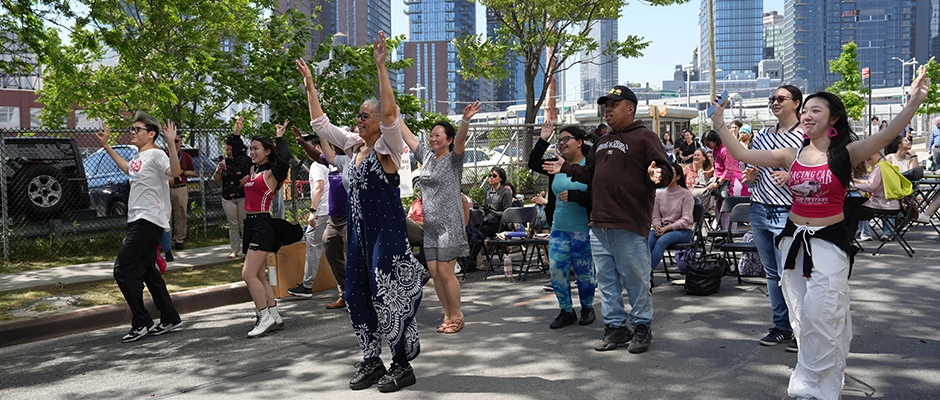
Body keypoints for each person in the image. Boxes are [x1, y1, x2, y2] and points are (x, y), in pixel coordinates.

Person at [707, 66, 929, 400]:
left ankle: (818, 385)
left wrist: (912, 103)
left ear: (833, 120)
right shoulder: (790, 154)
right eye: (806, 110)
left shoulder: (846, 154)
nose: (808, 116)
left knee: (822, 313)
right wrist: (719, 122)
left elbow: (885, 137)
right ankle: (811, 379)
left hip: (830, 243)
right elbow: (740, 153)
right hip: (793, 240)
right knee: (800, 315)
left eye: (816, 110)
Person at [298, 30, 426, 393]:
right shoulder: (353, 148)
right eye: (357, 117)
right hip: (359, 234)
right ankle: (372, 360)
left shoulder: (389, 146)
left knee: (389, 294)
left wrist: (382, 68)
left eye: (364, 116)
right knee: (356, 292)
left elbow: (389, 114)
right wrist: (310, 85)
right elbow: (320, 125)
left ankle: (402, 364)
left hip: (386, 234)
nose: (359, 121)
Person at [543, 85, 673, 354]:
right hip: (599, 223)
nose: (609, 109)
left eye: (614, 104)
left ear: (630, 108)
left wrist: (658, 174)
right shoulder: (601, 143)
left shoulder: (645, 137)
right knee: (607, 282)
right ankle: (615, 327)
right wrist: (566, 168)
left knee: (636, 279)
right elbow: (592, 174)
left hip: (628, 222)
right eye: (607, 105)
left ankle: (641, 327)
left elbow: (665, 168)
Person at [95, 112, 183, 343]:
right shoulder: (138, 157)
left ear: (151, 134)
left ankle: (141, 321)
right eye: (132, 129)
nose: (132, 132)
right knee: (148, 272)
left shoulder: (156, 154)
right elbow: (127, 168)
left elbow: (174, 173)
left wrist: (171, 145)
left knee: (123, 270)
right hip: (137, 219)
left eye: (137, 130)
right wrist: (106, 146)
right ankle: (169, 317)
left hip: (149, 220)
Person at [400, 102, 479, 335]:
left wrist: (465, 120)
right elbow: (408, 137)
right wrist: (395, 115)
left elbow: (462, 140)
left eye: (438, 135)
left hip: (450, 225)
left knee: (446, 272)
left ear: (448, 140)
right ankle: (446, 315)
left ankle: (457, 315)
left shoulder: (453, 160)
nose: (433, 138)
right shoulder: (426, 156)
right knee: (434, 274)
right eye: (432, 135)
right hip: (430, 227)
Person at [744, 85, 804, 352]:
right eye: (773, 99)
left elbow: (816, 170)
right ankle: (781, 326)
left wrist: (792, 176)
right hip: (758, 207)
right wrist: (751, 176)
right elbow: (750, 166)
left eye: (781, 98)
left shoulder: (805, 136)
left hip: (787, 211)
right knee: (771, 273)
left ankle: (800, 330)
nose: (775, 102)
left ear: (796, 103)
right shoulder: (762, 136)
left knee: (788, 273)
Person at [229, 119, 301, 339]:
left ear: (267, 152)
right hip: (249, 224)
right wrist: (236, 135)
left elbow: (284, 160)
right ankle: (273, 314)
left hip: (262, 224)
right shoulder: (251, 169)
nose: (251, 152)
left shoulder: (271, 173)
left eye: (256, 148)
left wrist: (280, 137)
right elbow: (238, 157)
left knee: (248, 274)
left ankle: (263, 316)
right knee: (259, 274)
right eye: (251, 148)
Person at [529, 116, 596, 329]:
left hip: (583, 230)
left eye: (567, 139)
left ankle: (587, 308)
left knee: (584, 272)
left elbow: (599, 195)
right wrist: (543, 139)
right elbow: (532, 162)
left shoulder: (591, 165)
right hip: (559, 228)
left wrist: (576, 195)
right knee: (557, 270)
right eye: (560, 140)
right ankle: (566, 311)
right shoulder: (556, 164)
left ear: (580, 142)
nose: (562, 143)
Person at [304, 137, 350, 310]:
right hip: (333, 218)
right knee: (330, 249)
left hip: (349, 217)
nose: (333, 147)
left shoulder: (351, 161)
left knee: (352, 257)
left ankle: (361, 295)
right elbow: (316, 156)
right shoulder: (331, 163)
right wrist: (302, 142)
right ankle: (344, 294)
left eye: (336, 143)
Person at [288, 134, 332, 299]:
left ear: (318, 147)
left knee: (313, 243)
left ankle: (307, 286)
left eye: (308, 147)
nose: (306, 151)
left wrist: (313, 211)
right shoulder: (332, 162)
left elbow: (318, 188)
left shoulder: (316, 165)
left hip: (322, 212)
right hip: (335, 211)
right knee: (337, 246)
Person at [649, 162, 694, 272]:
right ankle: (640, 273)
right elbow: (655, 216)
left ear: (678, 176)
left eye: (670, 173)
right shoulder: (659, 194)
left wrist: (667, 228)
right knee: (647, 240)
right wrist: (658, 226)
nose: (667, 175)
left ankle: (645, 273)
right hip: (663, 229)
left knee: (662, 241)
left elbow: (686, 219)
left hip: (682, 231)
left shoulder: (686, 194)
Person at [845, 152, 898, 241]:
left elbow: (871, 187)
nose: (867, 155)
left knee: (852, 212)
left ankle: (848, 240)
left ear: (880, 155)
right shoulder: (886, 165)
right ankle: (850, 239)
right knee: (851, 203)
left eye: (872, 152)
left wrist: (854, 186)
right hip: (892, 204)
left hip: (885, 205)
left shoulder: (879, 167)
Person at [213, 126, 249, 259]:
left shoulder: (244, 161)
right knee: (233, 224)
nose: (228, 152)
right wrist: (218, 170)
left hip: (243, 196)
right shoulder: (223, 162)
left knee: (244, 224)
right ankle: (234, 249)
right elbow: (217, 180)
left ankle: (246, 250)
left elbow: (252, 175)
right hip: (228, 197)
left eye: (230, 149)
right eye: (226, 149)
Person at [702, 129, 749, 229]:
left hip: (731, 182)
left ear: (715, 140)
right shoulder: (715, 149)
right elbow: (718, 166)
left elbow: (729, 170)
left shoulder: (725, 150)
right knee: (718, 208)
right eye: (705, 145)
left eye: (708, 143)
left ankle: (729, 234)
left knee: (728, 210)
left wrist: (717, 183)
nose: (707, 146)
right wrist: (710, 172)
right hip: (722, 182)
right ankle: (724, 233)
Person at [470, 166, 512, 261]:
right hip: (488, 220)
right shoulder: (487, 192)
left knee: (482, 231)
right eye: (489, 175)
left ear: (500, 178)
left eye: (494, 176)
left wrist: (494, 212)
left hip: (501, 223)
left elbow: (507, 212)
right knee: (472, 229)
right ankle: (468, 257)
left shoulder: (505, 192)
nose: (491, 178)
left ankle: (471, 257)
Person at [167, 135, 195, 251]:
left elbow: (193, 172)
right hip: (167, 187)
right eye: (172, 141)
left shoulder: (186, 156)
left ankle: (179, 240)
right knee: (166, 215)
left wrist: (183, 172)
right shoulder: (164, 155)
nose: (174, 143)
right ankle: (166, 240)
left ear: (180, 142)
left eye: (176, 141)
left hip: (181, 187)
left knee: (181, 213)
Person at [683, 148, 716, 214]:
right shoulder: (688, 168)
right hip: (688, 196)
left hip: (702, 198)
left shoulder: (708, 170)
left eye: (698, 155)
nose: (695, 157)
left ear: (704, 158)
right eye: (694, 155)